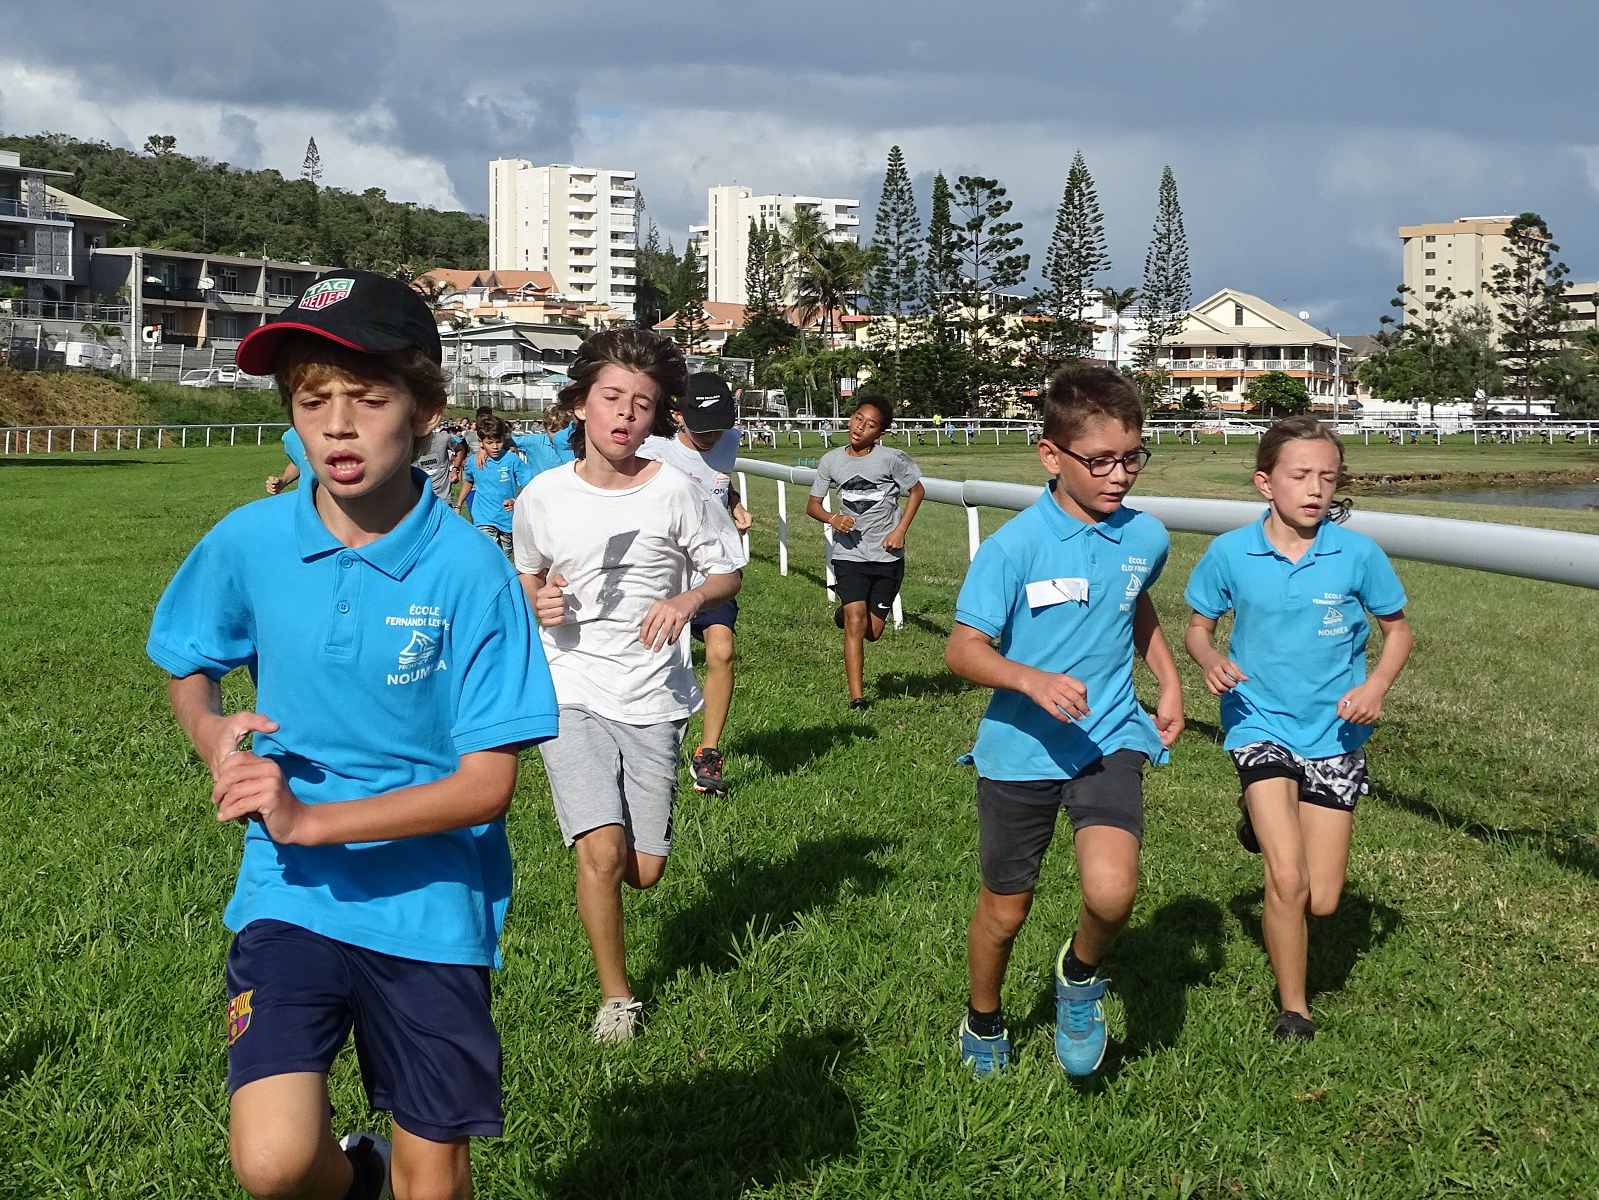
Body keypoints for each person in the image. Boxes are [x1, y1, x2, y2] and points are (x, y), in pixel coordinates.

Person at [147, 270, 558, 1200]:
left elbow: (486, 786)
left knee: (433, 1184)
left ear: (425, 410)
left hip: (431, 904)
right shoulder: (249, 540)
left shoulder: (472, 572)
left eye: (368, 399)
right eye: (312, 400)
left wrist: (310, 821)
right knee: (274, 1164)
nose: (337, 425)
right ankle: (354, 1178)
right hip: (290, 892)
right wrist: (213, 735)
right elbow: (189, 662)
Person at [945, 366, 1184, 1078]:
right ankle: (984, 1018)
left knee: (1112, 892)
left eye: (1132, 458)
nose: (1120, 476)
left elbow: (1132, 603)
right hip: (1020, 750)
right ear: (1051, 455)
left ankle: (1078, 976)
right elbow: (963, 650)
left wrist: (1168, 679)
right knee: (1005, 912)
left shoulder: (1146, 535)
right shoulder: (1013, 548)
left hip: (1109, 735)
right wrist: (1030, 678)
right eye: (1100, 461)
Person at [512, 329, 745, 1044]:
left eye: (641, 404)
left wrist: (688, 600)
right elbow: (528, 573)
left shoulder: (678, 490)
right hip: (570, 684)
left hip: (652, 694)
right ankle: (617, 999)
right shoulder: (543, 495)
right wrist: (540, 600)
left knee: (644, 870)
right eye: (611, 397)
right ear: (581, 403)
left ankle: (628, 879)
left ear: (656, 418)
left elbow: (726, 572)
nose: (624, 413)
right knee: (602, 852)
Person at [1183, 415, 1413, 1043]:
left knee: (1323, 898)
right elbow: (1199, 627)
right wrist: (1209, 660)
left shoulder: (1358, 554)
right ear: (1265, 482)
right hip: (1258, 721)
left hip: (1335, 734)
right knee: (1287, 879)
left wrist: (1375, 687)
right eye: (1300, 475)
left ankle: (1258, 821)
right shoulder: (1230, 552)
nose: (1315, 489)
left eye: (1328, 477)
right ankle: (1294, 1009)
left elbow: (1398, 631)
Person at [638, 372, 752, 795]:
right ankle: (649, 740)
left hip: (713, 571)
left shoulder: (729, 441)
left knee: (722, 649)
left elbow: (717, 483)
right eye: (702, 429)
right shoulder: (652, 450)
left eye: (718, 427)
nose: (711, 437)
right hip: (664, 574)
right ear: (677, 416)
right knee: (658, 663)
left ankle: (709, 752)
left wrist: (734, 504)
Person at [805, 395, 925, 709]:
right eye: (858, 419)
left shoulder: (892, 459)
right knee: (856, 621)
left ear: (880, 433)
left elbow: (917, 491)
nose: (860, 427)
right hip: (849, 554)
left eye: (870, 425)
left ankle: (844, 614)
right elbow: (812, 505)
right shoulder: (831, 460)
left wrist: (900, 531)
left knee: (873, 631)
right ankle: (857, 698)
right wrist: (833, 519)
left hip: (887, 556)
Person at [462, 415, 535, 558]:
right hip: (483, 517)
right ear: (481, 442)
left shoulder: (511, 460)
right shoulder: (473, 462)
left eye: (498, 442)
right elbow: (468, 480)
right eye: (489, 443)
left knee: (505, 556)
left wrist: (515, 500)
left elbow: (528, 485)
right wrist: (458, 504)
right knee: (488, 553)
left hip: (506, 518)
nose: (495, 447)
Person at [264, 426, 309, 494]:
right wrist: (283, 481)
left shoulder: (325, 429)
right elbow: (298, 462)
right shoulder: (291, 436)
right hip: (306, 496)